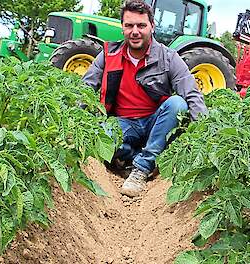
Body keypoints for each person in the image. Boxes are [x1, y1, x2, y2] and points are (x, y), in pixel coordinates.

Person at [83, 0, 208, 197]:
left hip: (155, 123)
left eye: (141, 25)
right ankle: (137, 157)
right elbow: (85, 89)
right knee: (101, 135)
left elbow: (191, 92)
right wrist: (73, 117)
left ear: (152, 26)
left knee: (178, 104)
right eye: (129, 25)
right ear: (122, 27)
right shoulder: (108, 55)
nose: (135, 31)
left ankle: (141, 168)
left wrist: (205, 132)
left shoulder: (168, 57)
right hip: (122, 123)